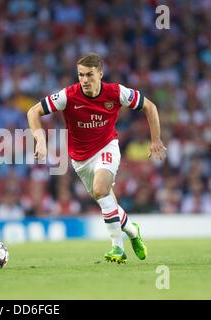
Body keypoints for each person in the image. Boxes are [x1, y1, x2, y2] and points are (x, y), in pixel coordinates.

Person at [27, 53, 167, 264]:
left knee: (101, 189)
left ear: (100, 74)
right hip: (80, 159)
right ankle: (132, 230)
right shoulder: (68, 96)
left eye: (89, 75)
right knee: (106, 201)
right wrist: (39, 139)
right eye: (81, 75)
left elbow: (150, 107)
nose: (84, 80)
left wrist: (155, 140)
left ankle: (117, 247)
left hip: (107, 147)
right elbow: (33, 112)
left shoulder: (116, 92)